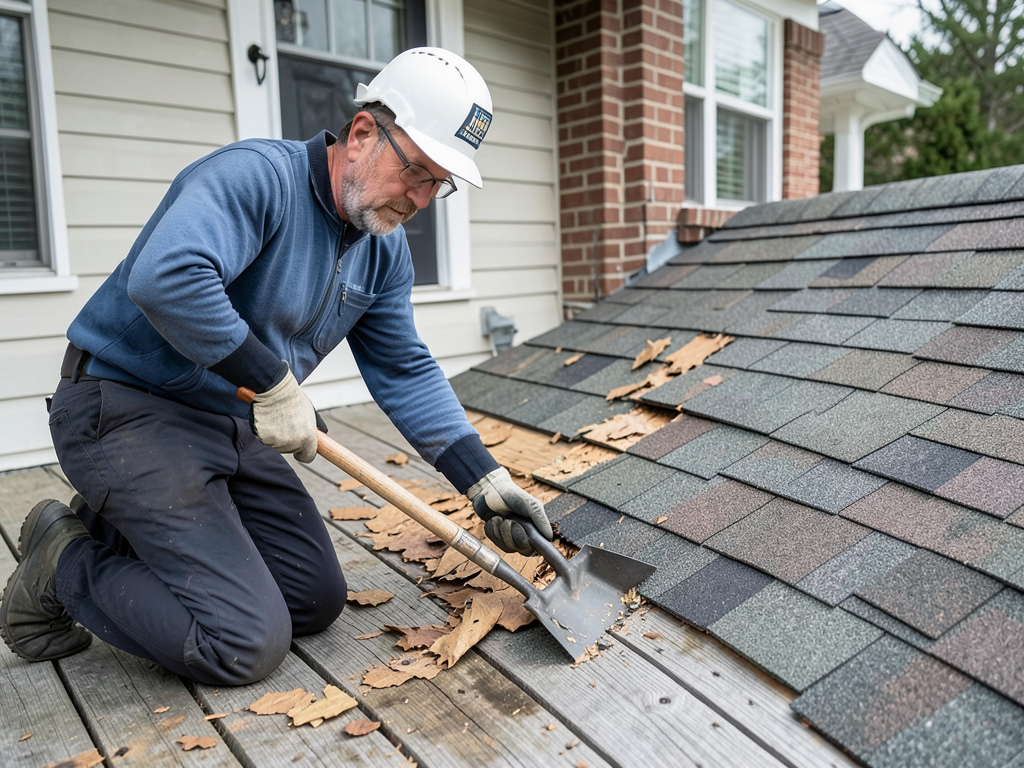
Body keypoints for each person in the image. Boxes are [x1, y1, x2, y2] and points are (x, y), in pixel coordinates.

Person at [0, 48, 552, 686]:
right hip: (125, 407)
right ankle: (62, 558)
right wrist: (271, 381)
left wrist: (482, 481)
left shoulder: (382, 249)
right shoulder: (257, 177)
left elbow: (402, 366)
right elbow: (168, 276)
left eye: (440, 184)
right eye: (417, 172)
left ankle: (116, 519)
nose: (422, 198)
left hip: (230, 419)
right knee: (241, 642)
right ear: (364, 132)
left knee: (312, 599)